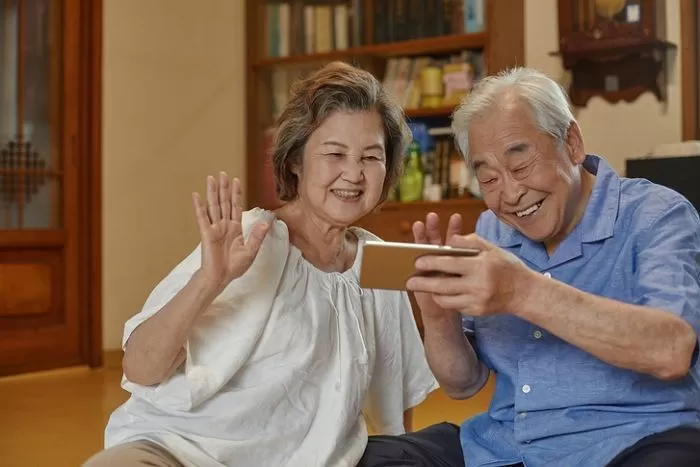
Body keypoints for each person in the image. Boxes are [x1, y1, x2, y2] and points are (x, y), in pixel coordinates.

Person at [83, 62, 463, 467]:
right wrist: (209, 280)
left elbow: (395, 406)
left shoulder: (379, 261)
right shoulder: (251, 237)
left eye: (371, 156)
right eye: (334, 153)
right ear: (296, 161)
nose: (353, 173)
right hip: (180, 449)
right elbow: (141, 369)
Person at [404, 67, 700, 467]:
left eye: (521, 165)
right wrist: (438, 318)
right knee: (372, 456)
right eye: (488, 178)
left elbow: (672, 350)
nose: (510, 194)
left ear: (572, 142)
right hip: (508, 446)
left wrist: (522, 291)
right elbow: (462, 385)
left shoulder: (656, 214)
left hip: (633, 441)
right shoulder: (492, 230)